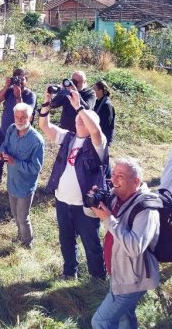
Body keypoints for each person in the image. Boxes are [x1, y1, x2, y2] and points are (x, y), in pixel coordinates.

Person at [38, 86, 109, 280]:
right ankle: (70, 273)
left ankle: (97, 278)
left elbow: (95, 128)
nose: (80, 119)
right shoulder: (68, 138)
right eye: (78, 117)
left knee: (91, 243)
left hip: (84, 205)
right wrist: (46, 103)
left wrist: (80, 107)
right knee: (66, 241)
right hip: (62, 201)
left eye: (84, 118)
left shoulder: (98, 145)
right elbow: (45, 126)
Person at [89, 157, 160, 329]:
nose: (113, 180)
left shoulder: (146, 209)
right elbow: (91, 214)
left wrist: (108, 220)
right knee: (124, 317)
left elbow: (135, 247)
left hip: (133, 278)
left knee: (101, 321)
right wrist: (92, 200)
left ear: (135, 181)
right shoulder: (117, 196)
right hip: (119, 271)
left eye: (120, 176)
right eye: (113, 174)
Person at [0, 103, 45, 248]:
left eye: (23, 117)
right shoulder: (12, 129)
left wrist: (15, 162)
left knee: (23, 218)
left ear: (30, 118)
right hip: (12, 182)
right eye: (17, 117)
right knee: (15, 214)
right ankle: (20, 236)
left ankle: (27, 244)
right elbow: (5, 144)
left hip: (25, 186)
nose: (19, 120)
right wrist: (1, 151)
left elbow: (36, 168)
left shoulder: (36, 140)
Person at [0, 68, 37, 188]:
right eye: (17, 79)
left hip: (19, 135)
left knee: (16, 160)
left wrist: (18, 97)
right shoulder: (10, 91)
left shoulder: (30, 95)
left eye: (22, 79)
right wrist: (6, 87)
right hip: (4, 132)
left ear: (27, 80)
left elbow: (23, 113)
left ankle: (17, 185)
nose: (19, 82)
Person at [92, 80, 115, 146]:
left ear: (100, 91)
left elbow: (107, 124)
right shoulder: (97, 101)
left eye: (94, 89)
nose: (92, 90)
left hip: (103, 139)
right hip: (96, 136)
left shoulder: (107, 105)